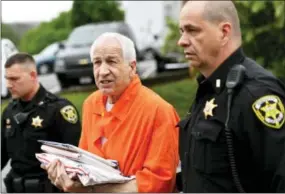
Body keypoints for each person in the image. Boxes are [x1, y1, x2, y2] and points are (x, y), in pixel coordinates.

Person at [41, 32, 180, 193]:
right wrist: (67, 176)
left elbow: (159, 182)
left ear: (132, 67)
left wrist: (93, 190)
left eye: (111, 61)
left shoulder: (159, 111)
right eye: (97, 63)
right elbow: (84, 163)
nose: (103, 71)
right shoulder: (91, 104)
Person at [177, 0, 285, 193]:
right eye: (181, 31)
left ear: (224, 33)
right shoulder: (210, 88)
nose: (182, 41)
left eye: (192, 30)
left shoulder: (256, 93)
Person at [1, 53, 82, 193]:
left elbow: (78, 158)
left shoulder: (58, 110)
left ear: (33, 75)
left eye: (14, 79)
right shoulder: (9, 112)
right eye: (7, 79)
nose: (8, 85)